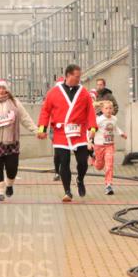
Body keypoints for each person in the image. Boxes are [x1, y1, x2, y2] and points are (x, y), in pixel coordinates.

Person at [37, 64, 97, 202]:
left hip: (79, 132)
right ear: (68, 75)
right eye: (77, 76)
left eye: (79, 76)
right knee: (64, 162)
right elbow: (45, 111)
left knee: (82, 162)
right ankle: (67, 191)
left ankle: (80, 179)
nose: (79, 79)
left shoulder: (84, 92)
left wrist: (92, 128)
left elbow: (90, 112)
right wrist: (42, 129)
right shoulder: (53, 92)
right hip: (61, 133)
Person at [0, 78, 38, 202]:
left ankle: (9, 185)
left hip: (11, 143)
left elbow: (25, 119)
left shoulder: (15, 103)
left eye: (3, 88)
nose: (1, 90)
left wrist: (36, 131)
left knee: (12, 168)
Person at [91, 100, 127, 195]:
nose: (109, 110)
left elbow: (115, 127)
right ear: (102, 110)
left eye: (110, 108)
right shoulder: (99, 119)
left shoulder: (114, 119)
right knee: (99, 166)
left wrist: (121, 133)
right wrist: (89, 141)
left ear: (113, 109)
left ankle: (108, 185)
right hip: (99, 145)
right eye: (106, 108)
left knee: (109, 165)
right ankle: (93, 158)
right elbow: (91, 129)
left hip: (109, 145)